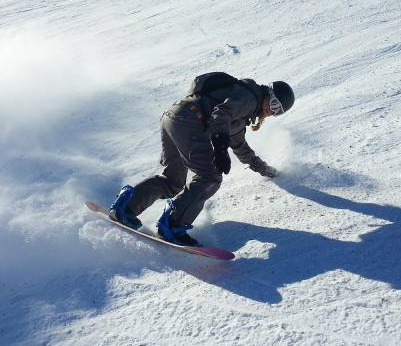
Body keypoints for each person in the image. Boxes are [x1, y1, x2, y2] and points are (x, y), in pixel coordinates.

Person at [108, 72, 295, 246]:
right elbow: (221, 114)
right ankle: (173, 225)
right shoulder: (249, 97)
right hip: (190, 121)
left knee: (173, 180)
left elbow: (241, 147)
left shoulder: (243, 110)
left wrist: (265, 170)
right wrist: (220, 145)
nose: (272, 111)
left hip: (174, 117)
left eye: (278, 111)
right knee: (210, 178)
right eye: (274, 104)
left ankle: (126, 207)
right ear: (268, 94)